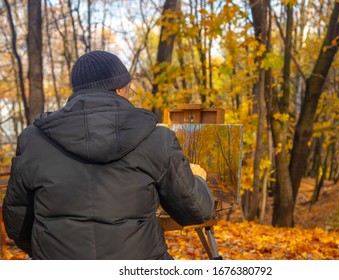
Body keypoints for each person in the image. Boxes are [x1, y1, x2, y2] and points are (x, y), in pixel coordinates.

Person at [2, 50, 214, 260]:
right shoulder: (157, 139)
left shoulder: (33, 140)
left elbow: (17, 223)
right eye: (130, 90)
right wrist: (198, 180)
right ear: (120, 89)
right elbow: (196, 211)